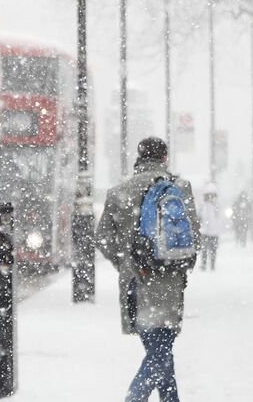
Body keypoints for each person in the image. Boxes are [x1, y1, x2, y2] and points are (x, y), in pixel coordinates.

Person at [96, 136, 198, 402]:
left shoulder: (119, 192)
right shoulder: (180, 188)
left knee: (159, 351)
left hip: (135, 284)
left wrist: (126, 263)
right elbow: (194, 237)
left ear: (139, 157)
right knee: (160, 352)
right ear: (164, 158)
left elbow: (103, 237)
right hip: (170, 284)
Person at [198, 185, 221, 271]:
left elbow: (218, 218)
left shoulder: (216, 206)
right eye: (209, 195)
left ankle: (212, 265)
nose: (210, 197)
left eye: (212, 195)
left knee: (213, 250)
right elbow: (200, 217)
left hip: (214, 231)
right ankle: (203, 265)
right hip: (205, 231)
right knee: (204, 250)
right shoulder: (203, 206)